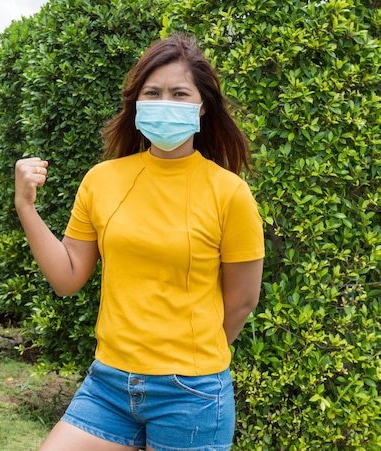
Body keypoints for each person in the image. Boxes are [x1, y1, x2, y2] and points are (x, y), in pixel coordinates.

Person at [14, 33, 264, 451]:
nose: (165, 101)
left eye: (180, 93)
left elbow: (242, 301)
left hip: (191, 393)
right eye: (153, 92)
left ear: (202, 106)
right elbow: (68, 277)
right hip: (109, 383)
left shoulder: (229, 193)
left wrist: (187, 359)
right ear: (137, 104)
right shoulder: (102, 179)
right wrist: (26, 207)